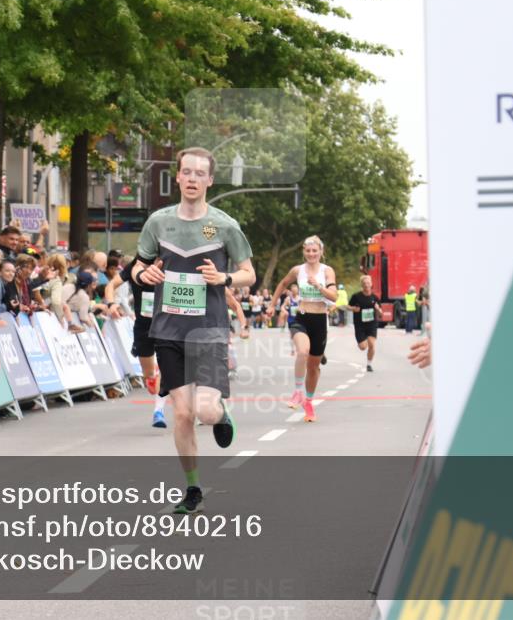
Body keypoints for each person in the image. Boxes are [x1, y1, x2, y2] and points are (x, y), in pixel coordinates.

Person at [132, 147, 255, 514]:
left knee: (205, 411)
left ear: (209, 180)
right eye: (186, 172)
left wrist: (225, 277)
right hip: (168, 330)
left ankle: (222, 414)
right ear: (179, 176)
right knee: (182, 414)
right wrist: (144, 274)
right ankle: (193, 488)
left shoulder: (225, 225)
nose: (191, 179)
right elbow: (137, 268)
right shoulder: (158, 222)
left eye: (199, 173)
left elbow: (250, 273)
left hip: (209, 331)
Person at [267, 235, 337, 422]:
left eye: (315, 250)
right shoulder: (298, 270)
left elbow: (334, 296)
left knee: (313, 367)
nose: (311, 254)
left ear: (321, 252)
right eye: (308, 250)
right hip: (302, 318)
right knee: (302, 351)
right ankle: (297, 392)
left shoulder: (327, 271)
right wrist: (272, 305)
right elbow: (282, 284)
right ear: (303, 252)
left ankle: (308, 400)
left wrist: (319, 286)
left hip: (320, 321)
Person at [106, 255, 163, 426]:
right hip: (143, 326)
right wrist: (111, 304)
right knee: (150, 378)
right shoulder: (135, 266)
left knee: (165, 366)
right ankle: (154, 381)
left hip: (167, 325)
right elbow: (111, 285)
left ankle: (158, 411)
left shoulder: (171, 261)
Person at [348, 275, 381, 372]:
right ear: (362, 285)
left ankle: (369, 364)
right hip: (360, 325)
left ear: (371, 284)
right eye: (364, 283)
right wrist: (354, 309)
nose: (366, 285)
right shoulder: (356, 296)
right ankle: (364, 339)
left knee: (372, 344)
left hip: (372, 324)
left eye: (368, 283)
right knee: (363, 347)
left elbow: (380, 314)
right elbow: (348, 306)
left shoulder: (375, 298)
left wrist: (378, 309)